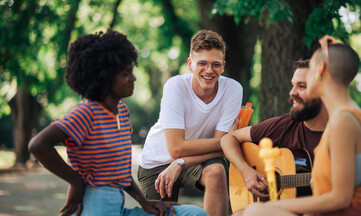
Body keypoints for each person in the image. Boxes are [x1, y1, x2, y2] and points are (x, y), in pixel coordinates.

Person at [28, 29, 207, 216]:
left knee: (195, 214)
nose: (133, 78)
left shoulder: (121, 111)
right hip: (93, 206)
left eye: (131, 71)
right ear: (104, 78)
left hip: (118, 208)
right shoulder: (86, 112)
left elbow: (119, 170)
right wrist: (75, 181)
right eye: (125, 74)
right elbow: (38, 144)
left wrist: (144, 201)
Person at [242, 35, 361, 216]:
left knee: (255, 212)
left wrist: (273, 207)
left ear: (320, 70)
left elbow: (340, 199)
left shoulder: (342, 121)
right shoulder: (344, 116)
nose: (293, 90)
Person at [138, 30, 243, 216]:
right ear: (190, 64)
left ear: (223, 66)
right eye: (202, 63)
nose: (209, 70)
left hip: (197, 159)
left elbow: (221, 149)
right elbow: (176, 148)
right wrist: (228, 139)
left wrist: (180, 162)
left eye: (216, 64)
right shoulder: (175, 86)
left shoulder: (233, 89)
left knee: (216, 171)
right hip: (157, 163)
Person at [221, 59, 329, 199]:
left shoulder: (346, 132)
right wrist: (246, 171)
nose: (292, 92)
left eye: (301, 86)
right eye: (292, 86)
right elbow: (229, 138)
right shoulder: (285, 125)